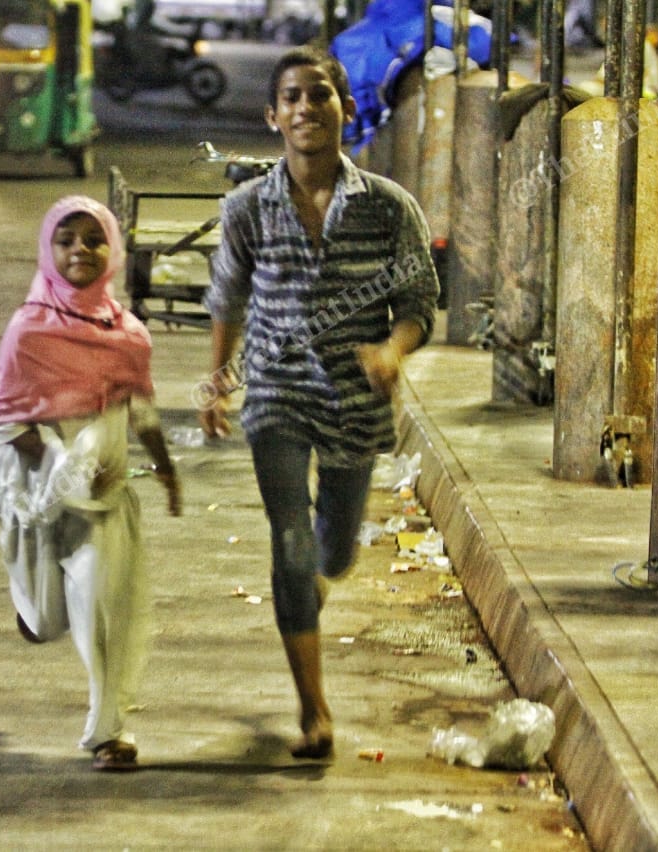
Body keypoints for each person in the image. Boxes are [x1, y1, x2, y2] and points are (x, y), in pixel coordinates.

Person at [199, 46, 439, 759]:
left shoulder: (389, 208)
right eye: (293, 98)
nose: (307, 108)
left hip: (356, 405)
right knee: (291, 544)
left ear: (346, 109)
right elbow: (227, 298)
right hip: (277, 395)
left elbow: (420, 302)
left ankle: (315, 584)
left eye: (321, 96)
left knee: (332, 553)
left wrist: (393, 351)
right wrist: (217, 383)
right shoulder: (247, 208)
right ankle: (314, 711)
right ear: (274, 116)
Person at [0, 195, 181, 772]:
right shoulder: (27, 331)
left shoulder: (129, 336)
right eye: (66, 240)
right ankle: (33, 608)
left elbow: (140, 409)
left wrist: (165, 469)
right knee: (48, 619)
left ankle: (108, 731)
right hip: (35, 493)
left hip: (104, 497)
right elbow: (4, 418)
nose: (80, 251)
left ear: (112, 250)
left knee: (101, 607)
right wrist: (59, 461)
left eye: (93, 239)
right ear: (49, 249)